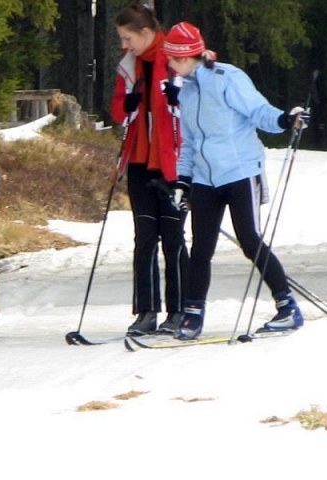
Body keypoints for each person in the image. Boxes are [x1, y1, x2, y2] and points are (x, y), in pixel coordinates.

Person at [161, 22, 309, 340]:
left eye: (173, 59)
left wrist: (286, 119)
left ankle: (287, 308)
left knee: (249, 240)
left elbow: (259, 112)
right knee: (201, 248)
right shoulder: (186, 91)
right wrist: (182, 181)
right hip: (204, 178)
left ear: (187, 56)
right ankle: (193, 314)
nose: (170, 65)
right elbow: (188, 142)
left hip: (240, 171)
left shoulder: (227, 78)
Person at [111, 2, 189, 336]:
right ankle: (146, 311)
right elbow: (118, 111)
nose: (124, 45)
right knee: (144, 238)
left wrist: (177, 99)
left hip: (173, 164)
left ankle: (180, 309)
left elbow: (195, 105)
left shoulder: (174, 57)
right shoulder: (130, 66)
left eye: (128, 38)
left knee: (172, 237)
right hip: (141, 161)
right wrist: (125, 107)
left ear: (146, 33)